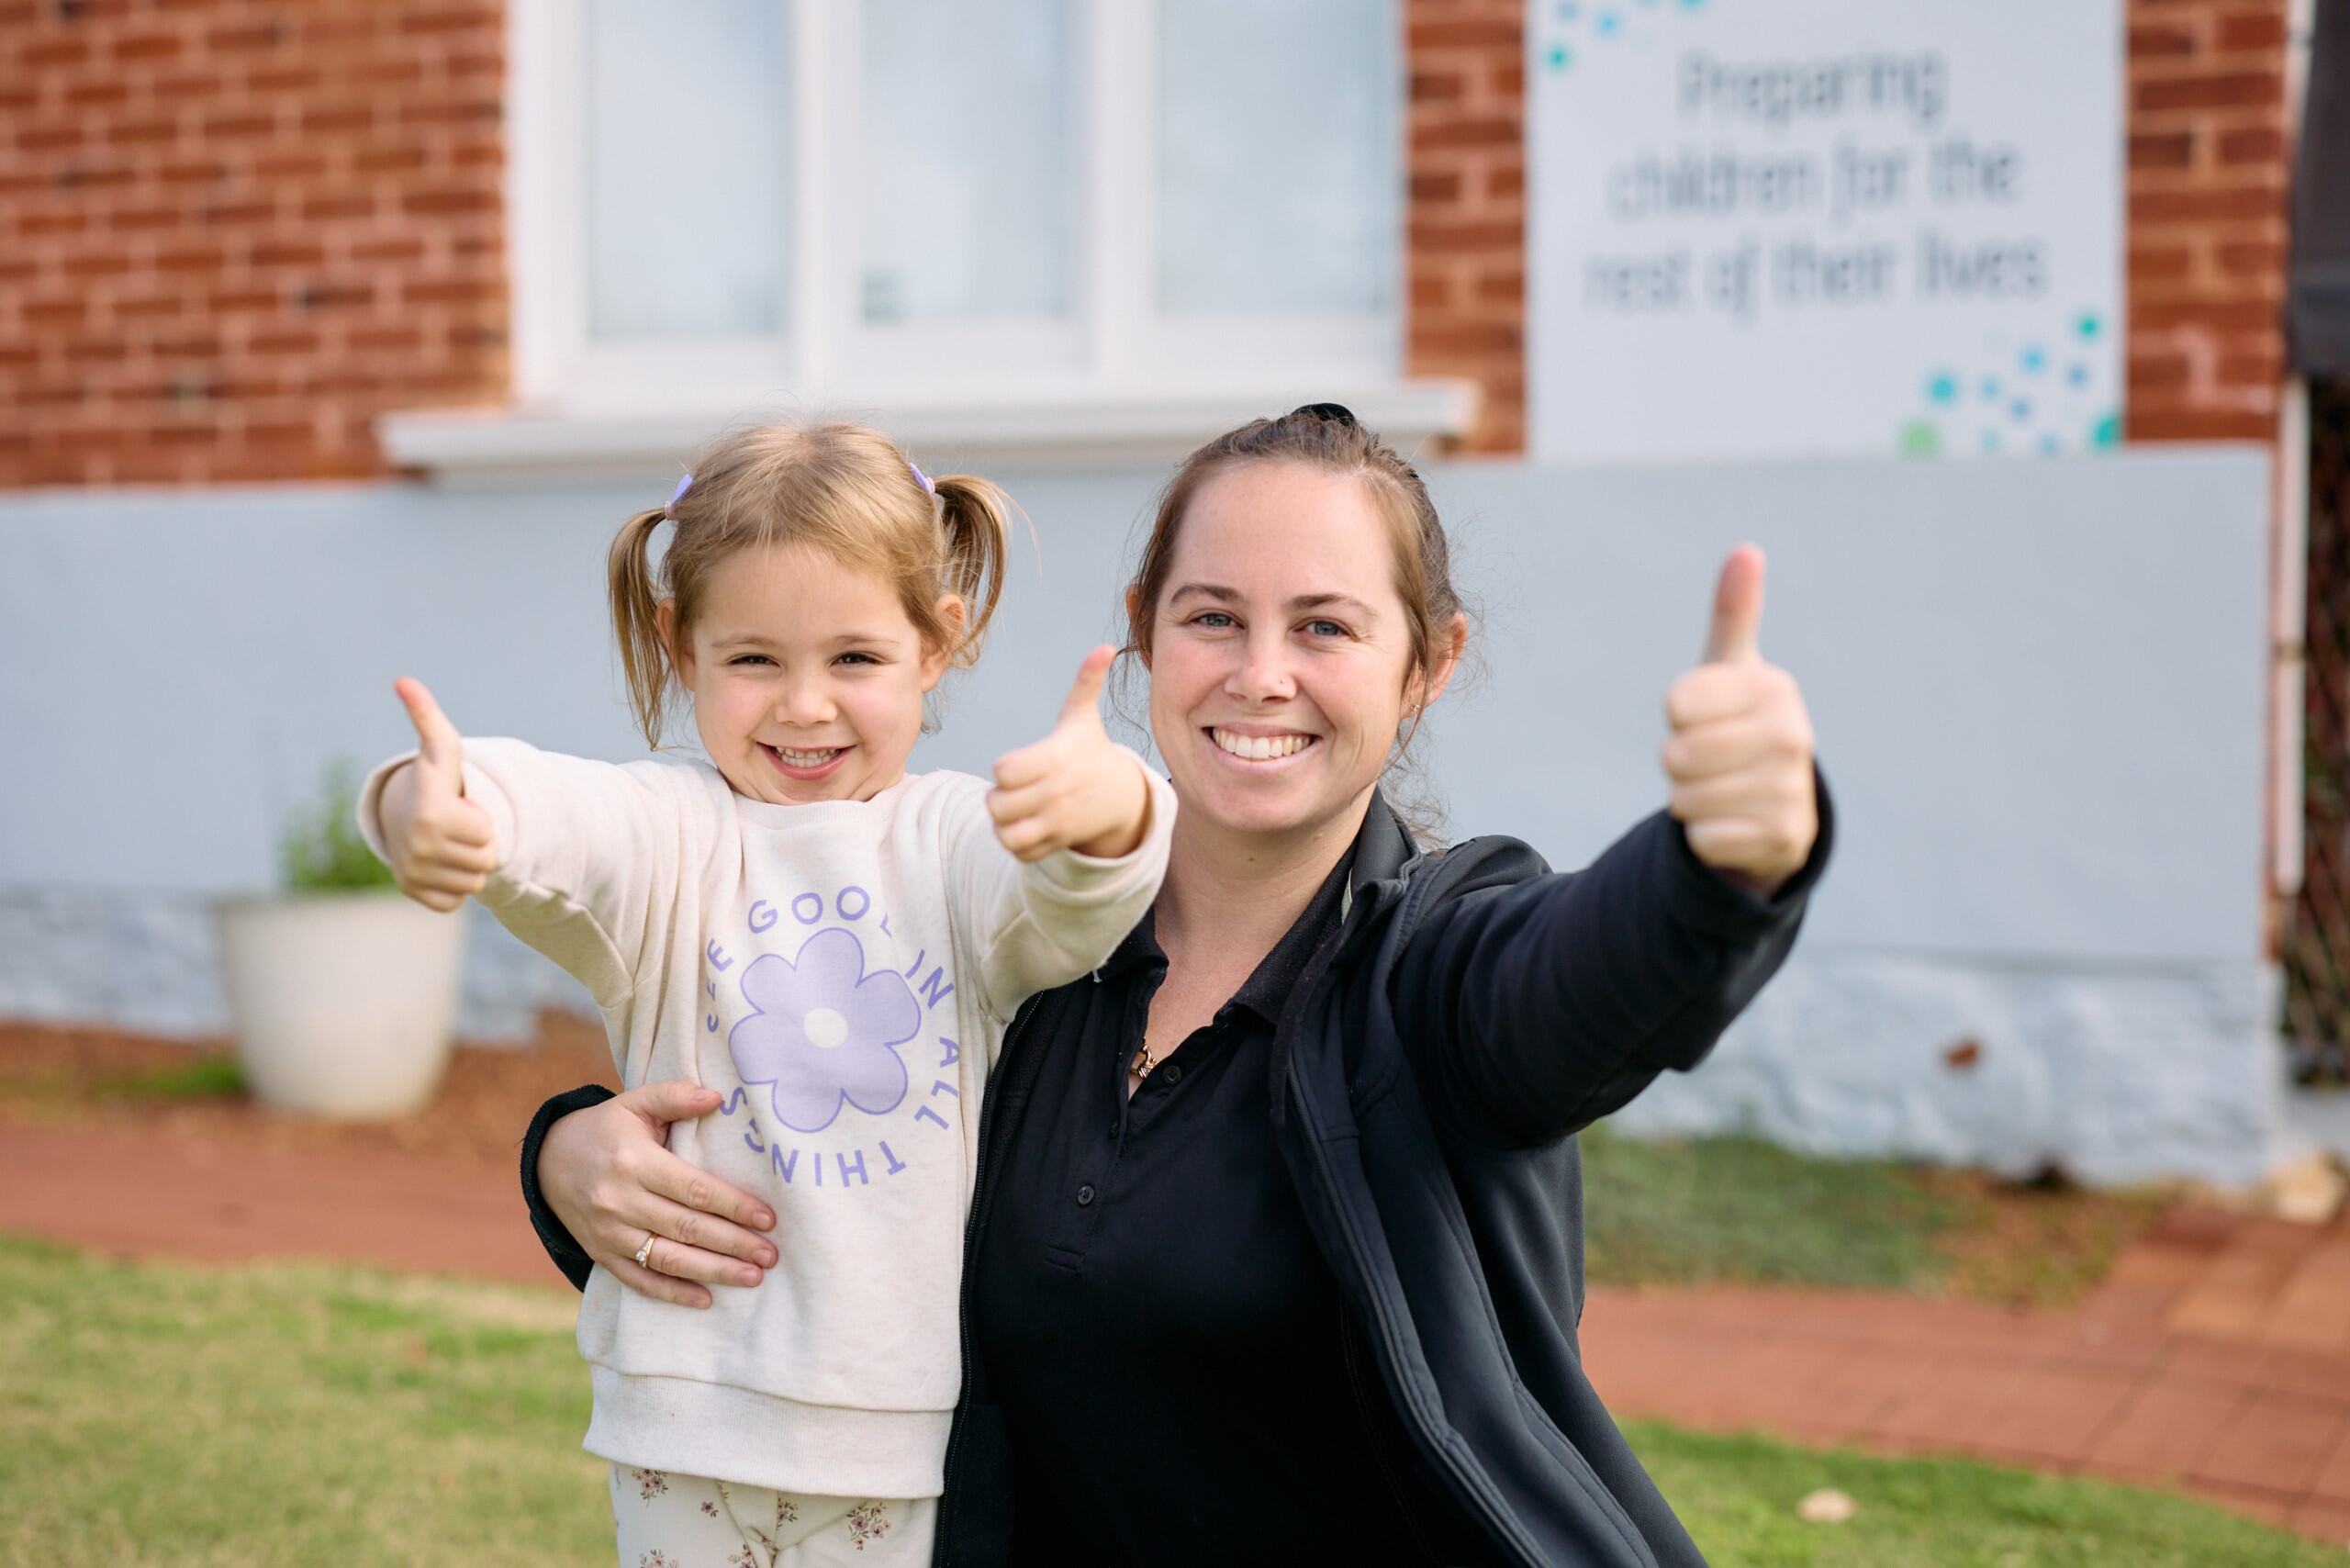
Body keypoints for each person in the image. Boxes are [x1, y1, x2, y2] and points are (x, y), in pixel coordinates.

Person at [520, 406, 1830, 1567]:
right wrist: (567, 1153)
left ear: (1428, 664)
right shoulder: (1026, 936)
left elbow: (1582, 988)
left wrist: (1722, 865)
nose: (1262, 674)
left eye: (1325, 627)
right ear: (1144, 629)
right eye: (1214, 616)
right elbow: (804, 1106)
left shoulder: (1437, 967)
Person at [360, 421, 1174, 1568]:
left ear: (937, 644)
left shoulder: (948, 842)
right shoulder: (668, 835)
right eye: (754, 660)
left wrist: (1110, 808)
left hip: (895, 1436)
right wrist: (427, 807)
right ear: (677, 641)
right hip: (678, 1422)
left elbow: (1070, 898)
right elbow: (535, 807)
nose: (803, 706)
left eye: (854, 659)